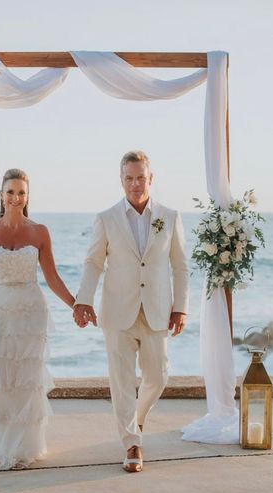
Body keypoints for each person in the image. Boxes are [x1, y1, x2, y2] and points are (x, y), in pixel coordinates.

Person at [73, 151, 189, 473]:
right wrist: (83, 300)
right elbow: (94, 262)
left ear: (151, 178)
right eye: (129, 178)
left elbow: (180, 267)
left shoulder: (171, 216)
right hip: (117, 311)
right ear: (121, 180)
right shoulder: (106, 218)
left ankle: (134, 421)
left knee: (158, 375)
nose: (135, 184)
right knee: (121, 382)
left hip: (156, 310)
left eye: (141, 177)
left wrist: (181, 308)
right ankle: (132, 444)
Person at [0, 168, 75, 470]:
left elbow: (52, 277)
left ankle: (24, 446)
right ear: (1, 195)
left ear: (27, 196)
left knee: (26, 381)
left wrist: (76, 304)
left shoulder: (40, 232)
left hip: (30, 314)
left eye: (21, 192)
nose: (16, 198)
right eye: (10, 192)